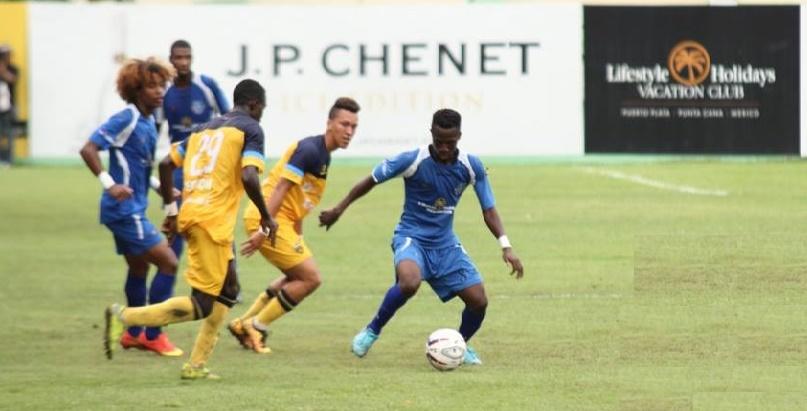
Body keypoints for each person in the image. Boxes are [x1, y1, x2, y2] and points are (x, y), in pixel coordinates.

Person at [319, 108, 524, 365]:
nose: (444, 148)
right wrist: (339, 209)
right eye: (439, 141)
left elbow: (489, 210)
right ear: (431, 134)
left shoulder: (471, 166)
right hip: (411, 237)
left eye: (450, 143)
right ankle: (371, 331)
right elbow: (370, 181)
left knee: (479, 301)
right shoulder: (412, 160)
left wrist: (506, 246)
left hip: (445, 244)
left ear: (459, 137)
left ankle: (458, 345)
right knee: (409, 282)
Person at [104, 78, 278, 380]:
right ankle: (125, 316)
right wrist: (266, 216)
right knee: (202, 303)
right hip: (211, 222)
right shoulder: (251, 129)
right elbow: (250, 176)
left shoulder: (203, 130)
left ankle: (196, 365)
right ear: (254, 104)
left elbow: (165, 165)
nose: (261, 114)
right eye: (262, 108)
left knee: (229, 289)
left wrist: (171, 211)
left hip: (196, 214)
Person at [227, 97, 360, 354]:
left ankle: (243, 323)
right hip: (268, 218)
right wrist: (264, 229)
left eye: (353, 126)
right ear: (329, 123)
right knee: (310, 279)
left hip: (280, 222)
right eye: (344, 124)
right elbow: (281, 188)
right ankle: (257, 326)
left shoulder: (323, 155)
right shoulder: (309, 150)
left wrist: (298, 238)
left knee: (295, 275)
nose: (349, 131)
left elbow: (297, 199)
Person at [79, 57, 184, 356]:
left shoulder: (148, 121)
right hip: (124, 210)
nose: (159, 91)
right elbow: (88, 149)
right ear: (136, 89)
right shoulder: (127, 118)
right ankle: (152, 333)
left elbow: (139, 167)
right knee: (168, 263)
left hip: (128, 208)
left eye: (161, 85)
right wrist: (109, 183)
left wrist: (161, 187)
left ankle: (134, 334)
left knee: (139, 267)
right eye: (151, 86)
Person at [160, 39, 230, 262]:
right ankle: (168, 274)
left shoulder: (206, 85)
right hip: (178, 167)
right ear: (171, 60)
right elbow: (155, 127)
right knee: (175, 227)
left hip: (206, 165)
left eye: (187, 57)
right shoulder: (163, 91)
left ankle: (228, 278)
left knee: (215, 226)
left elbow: (230, 118)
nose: (183, 62)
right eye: (178, 58)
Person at [0, 44, 18, 166]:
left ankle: (8, 159)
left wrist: (3, 70)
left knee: (8, 133)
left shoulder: (13, 68)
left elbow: (12, 79)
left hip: (8, 107)